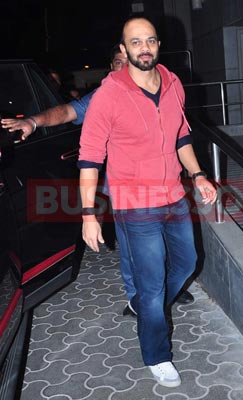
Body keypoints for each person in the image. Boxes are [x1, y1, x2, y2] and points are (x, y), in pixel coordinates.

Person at [0, 45, 196, 311]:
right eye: (118, 62)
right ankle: (136, 298)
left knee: (174, 248)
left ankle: (164, 289)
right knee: (133, 248)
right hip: (127, 191)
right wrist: (33, 122)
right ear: (111, 67)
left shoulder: (159, 88)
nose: (125, 67)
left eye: (128, 61)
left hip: (164, 187)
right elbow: (68, 111)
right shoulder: (106, 95)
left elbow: (179, 133)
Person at [78, 16, 216, 387]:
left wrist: (198, 174)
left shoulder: (173, 84)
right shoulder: (108, 95)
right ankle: (157, 355)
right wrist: (89, 214)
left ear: (158, 45)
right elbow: (90, 158)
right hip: (134, 204)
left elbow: (181, 136)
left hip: (173, 195)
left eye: (150, 40)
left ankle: (143, 306)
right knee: (152, 285)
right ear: (124, 49)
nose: (144, 48)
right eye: (135, 42)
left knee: (187, 263)